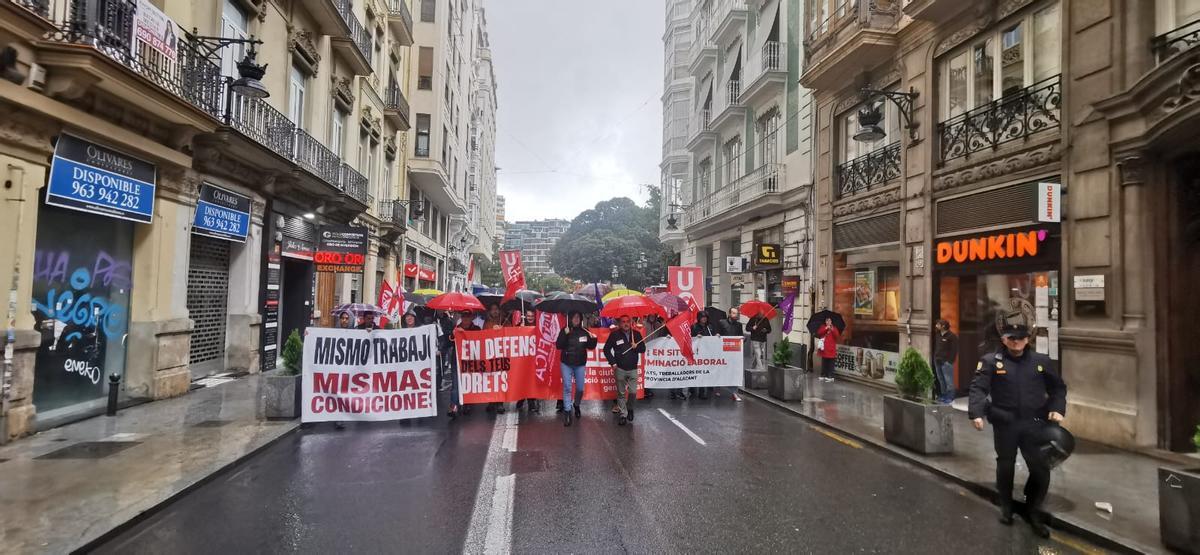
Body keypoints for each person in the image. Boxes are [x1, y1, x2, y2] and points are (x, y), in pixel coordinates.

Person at [969, 322, 1067, 538]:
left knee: (1041, 469)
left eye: (1021, 338)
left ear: (1027, 339)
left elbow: (1058, 388)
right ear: (1004, 339)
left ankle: (1033, 509)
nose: (1016, 342)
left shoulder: (1040, 362)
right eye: (1012, 338)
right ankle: (1006, 507)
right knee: (1006, 465)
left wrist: (1057, 409)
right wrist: (976, 413)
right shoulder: (991, 362)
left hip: (1035, 423)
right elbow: (978, 388)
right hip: (1006, 422)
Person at [555, 311, 596, 427]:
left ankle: (576, 404)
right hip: (566, 363)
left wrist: (593, 339)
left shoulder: (584, 331)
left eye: (578, 317)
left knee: (580, 389)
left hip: (580, 364)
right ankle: (567, 412)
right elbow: (558, 345)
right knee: (567, 387)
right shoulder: (565, 330)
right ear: (570, 318)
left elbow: (591, 346)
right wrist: (565, 334)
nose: (576, 319)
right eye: (574, 317)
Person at [603, 316, 644, 426]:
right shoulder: (614, 335)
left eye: (628, 321)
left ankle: (630, 408)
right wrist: (613, 363)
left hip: (633, 368)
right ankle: (623, 414)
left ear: (631, 322)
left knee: (633, 392)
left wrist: (636, 347)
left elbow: (643, 348)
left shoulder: (636, 334)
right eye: (623, 322)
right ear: (620, 324)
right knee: (621, 394)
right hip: (620, 368)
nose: (626, 324)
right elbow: (606, 349)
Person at [447, 311, 480, 419]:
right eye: (464, 316)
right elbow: (449, 341)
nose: (466, 319)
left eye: (468, 316)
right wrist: (455, 333)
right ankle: (454, 405)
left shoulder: (476, 329)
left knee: (469, 382)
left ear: (472, 318)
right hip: (456, 361)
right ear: (461, 317)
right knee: (456, 384)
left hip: (470, 361)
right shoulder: (456, 328)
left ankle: (467, 404)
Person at [717, 308, 745, 400]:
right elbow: (717, 334)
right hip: (722, 352)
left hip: (734, 352)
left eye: (736, 314)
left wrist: (743, 339)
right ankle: (718, 388)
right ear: (729, 314)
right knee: (721, 370)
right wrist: (717, 336)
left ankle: (734, 392)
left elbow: (741, 336)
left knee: (734, 372)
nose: (735, 315)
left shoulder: (739, 325)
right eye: (733, 313)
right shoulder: (721, 322)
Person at [690, 311, 717, 400]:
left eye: (705, 317)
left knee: (704, 371)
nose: (704, 318)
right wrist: (696, 337)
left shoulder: (710, 327)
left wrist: (717, 336)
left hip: (707, 353)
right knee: (696, 371)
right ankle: (692, 388)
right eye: (702, 317)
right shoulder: (694, 327)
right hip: (697, 353)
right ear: (699, 318)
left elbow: (713, 337)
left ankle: (702, 391)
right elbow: (690, 339)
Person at [933, 319, 959, 404]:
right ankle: (943, 395)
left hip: (946, 362)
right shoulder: (938, 334)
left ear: (943, 326)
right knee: (941, 379)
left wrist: (950, 361)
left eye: (938, 324)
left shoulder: (952, 336)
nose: (936, 325)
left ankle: (950, 397)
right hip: (937, 360)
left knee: (948, 380)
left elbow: (954, 350)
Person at [816, 318, 840, 382]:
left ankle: (830, 376)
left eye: (829, 320)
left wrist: (832, 330)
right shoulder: (823, 327)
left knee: (830, 363)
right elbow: (819, 333)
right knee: (824, 363)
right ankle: (823, 375)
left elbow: (837, 336)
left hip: (831, 349)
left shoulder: (834, 328)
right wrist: (826, 328)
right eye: (827, 320)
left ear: (831, 321)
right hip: (824, 348)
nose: (828, 322)